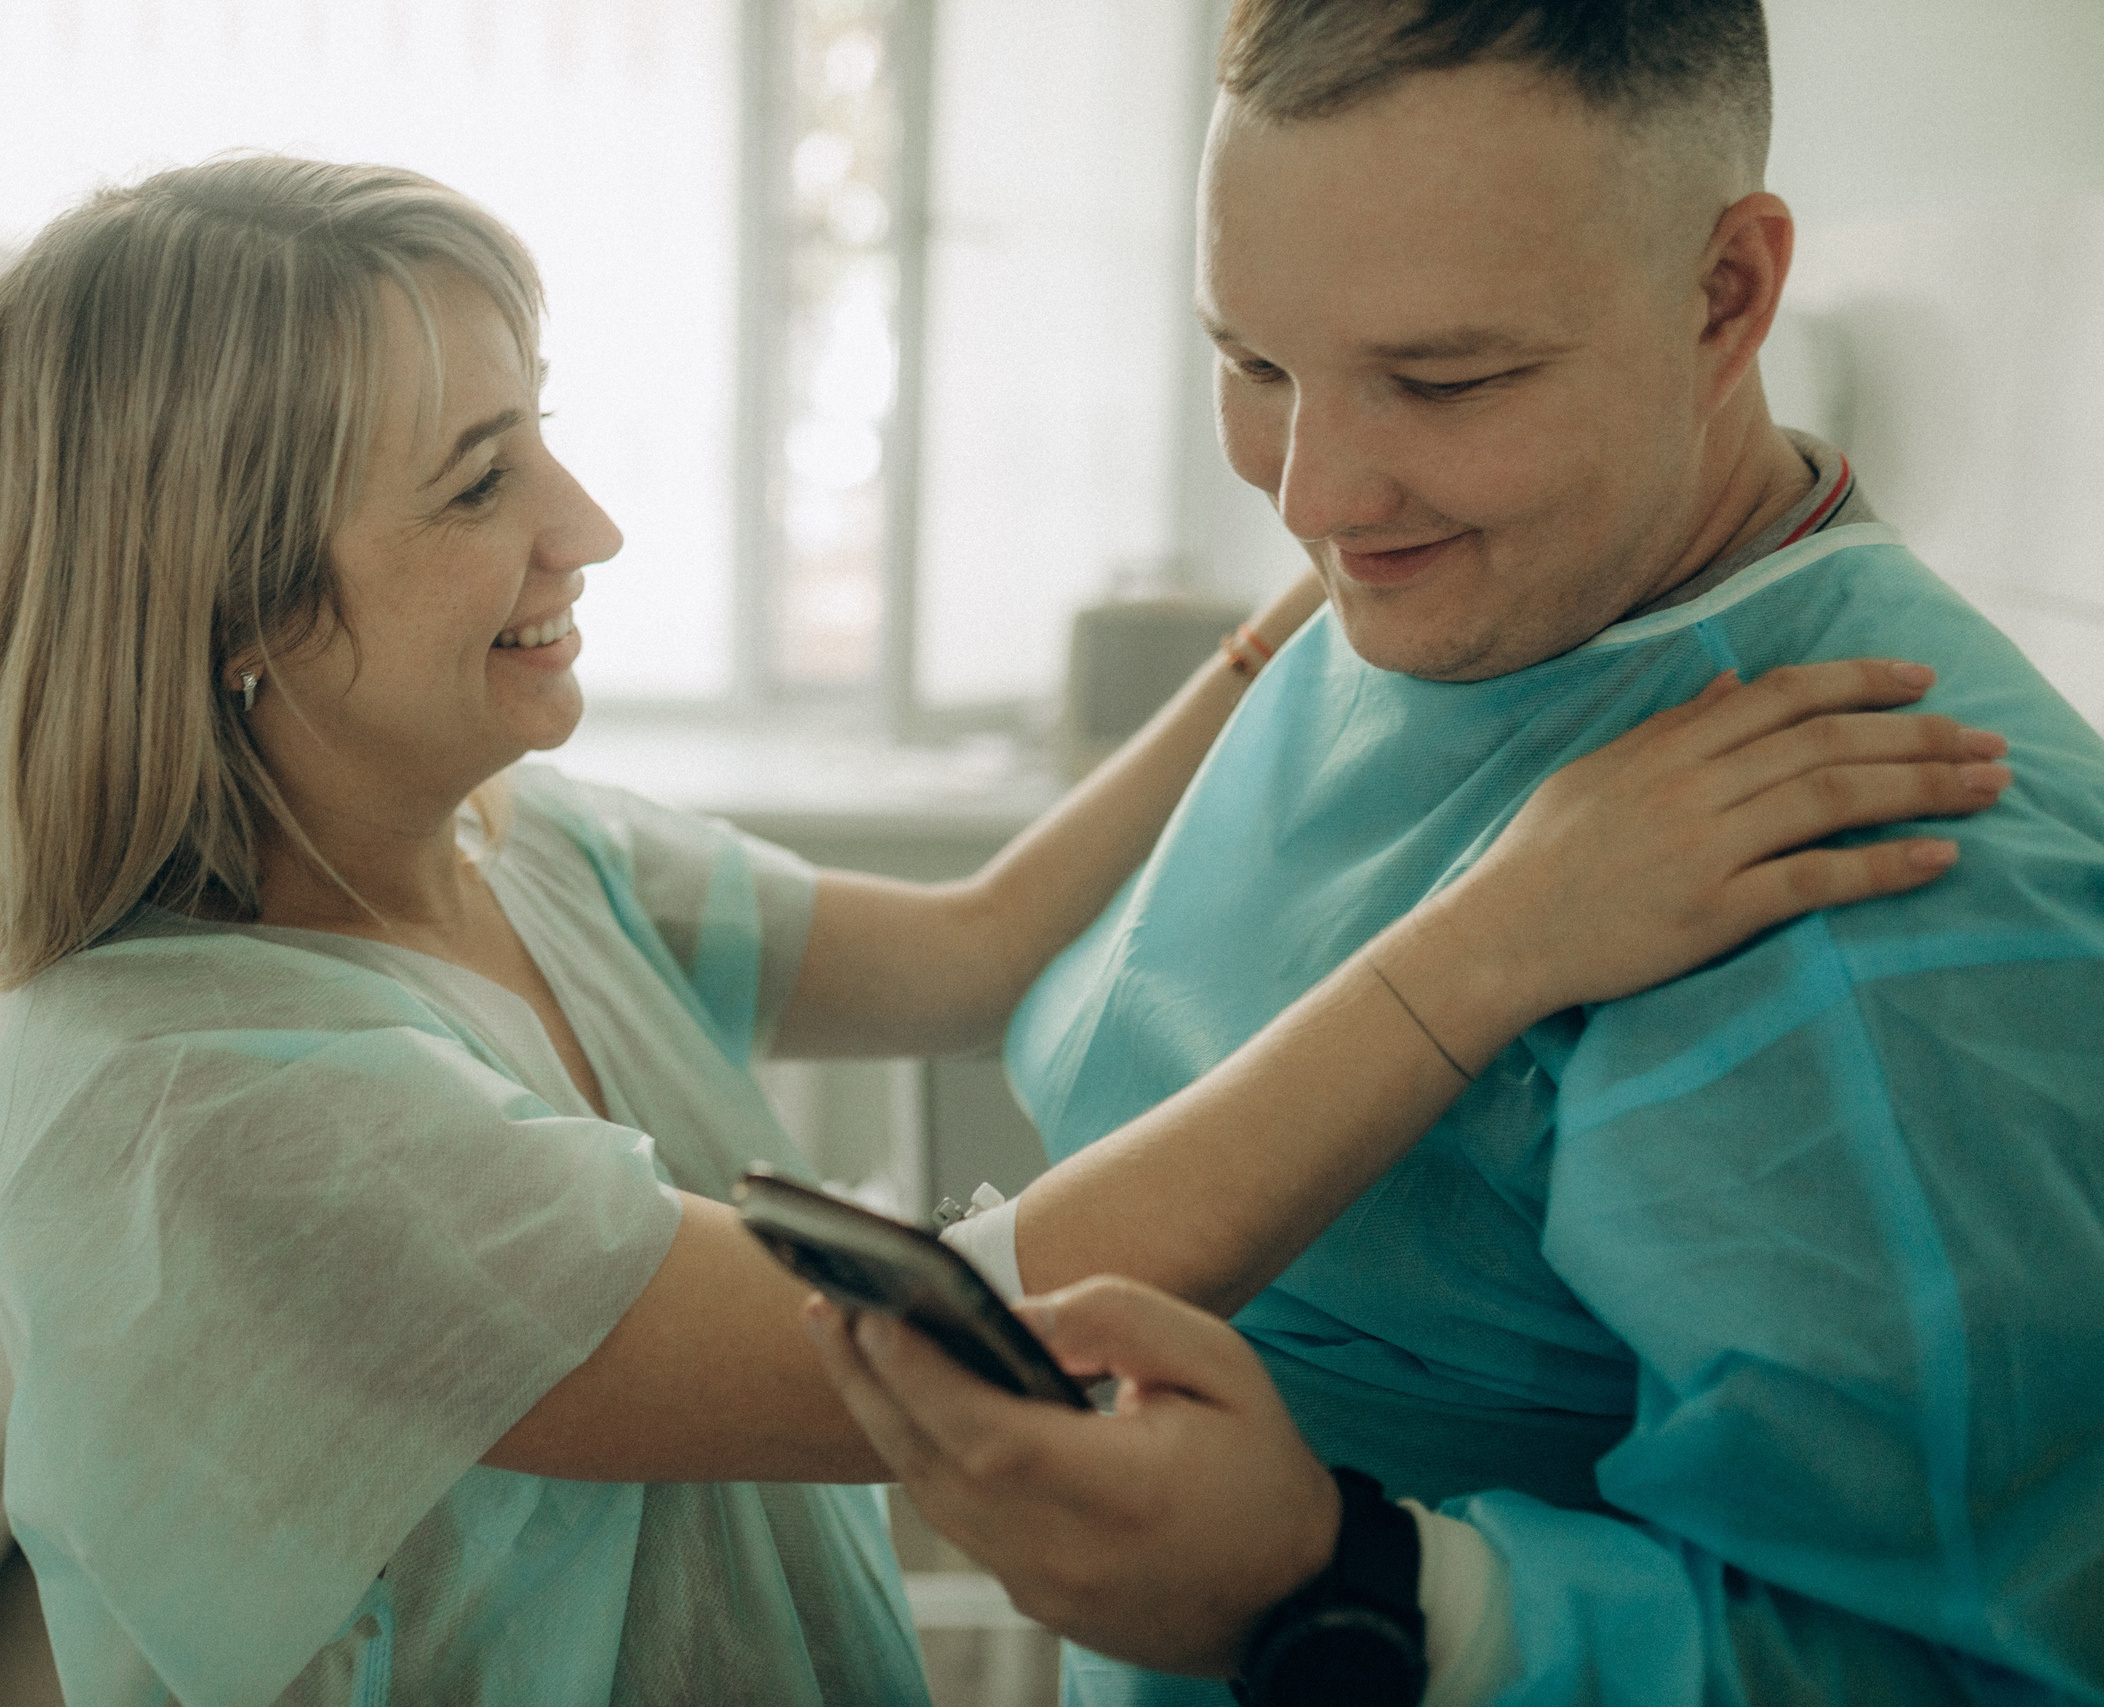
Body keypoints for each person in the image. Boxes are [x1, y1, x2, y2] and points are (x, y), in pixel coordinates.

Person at [0, 155, 2009, 1707]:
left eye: (546, 429)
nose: (585, 523)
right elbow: (930, 1335)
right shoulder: (204, 1119)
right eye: (481, 483)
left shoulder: (517, 839)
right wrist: (1504, 926)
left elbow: (970, 942)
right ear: (234, 609)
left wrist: (1287, 647)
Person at [808, 3, 2104, 1704]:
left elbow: (1969, 1671)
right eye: (1254, 364)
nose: (1316, 494)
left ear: (1726, 296)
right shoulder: (1432, 601)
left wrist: (1351, 1586)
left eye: (1445, 378)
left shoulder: (1891, 884)